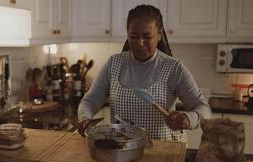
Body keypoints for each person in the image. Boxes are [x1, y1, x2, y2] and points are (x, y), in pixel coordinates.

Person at [78, 5, 211, 143]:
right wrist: (84, 117)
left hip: (164, 152)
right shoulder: (114, 64)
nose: (140, 43)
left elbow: (203, 108)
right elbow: (90, 101)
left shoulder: (174, 68)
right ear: (127, 33)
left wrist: (189, 119)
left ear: (159, 34)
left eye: (147, 37)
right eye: (134, 36)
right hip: (123, 149)